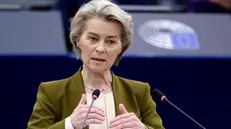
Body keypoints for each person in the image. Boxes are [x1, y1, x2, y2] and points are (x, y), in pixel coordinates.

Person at [27, 0, 165, 129]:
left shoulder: (139, 92)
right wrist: (70, 124)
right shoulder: (52, 92)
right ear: (77, 41)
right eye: (93, 39)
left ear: (121, 48)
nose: (100, 48)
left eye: (110, 41)